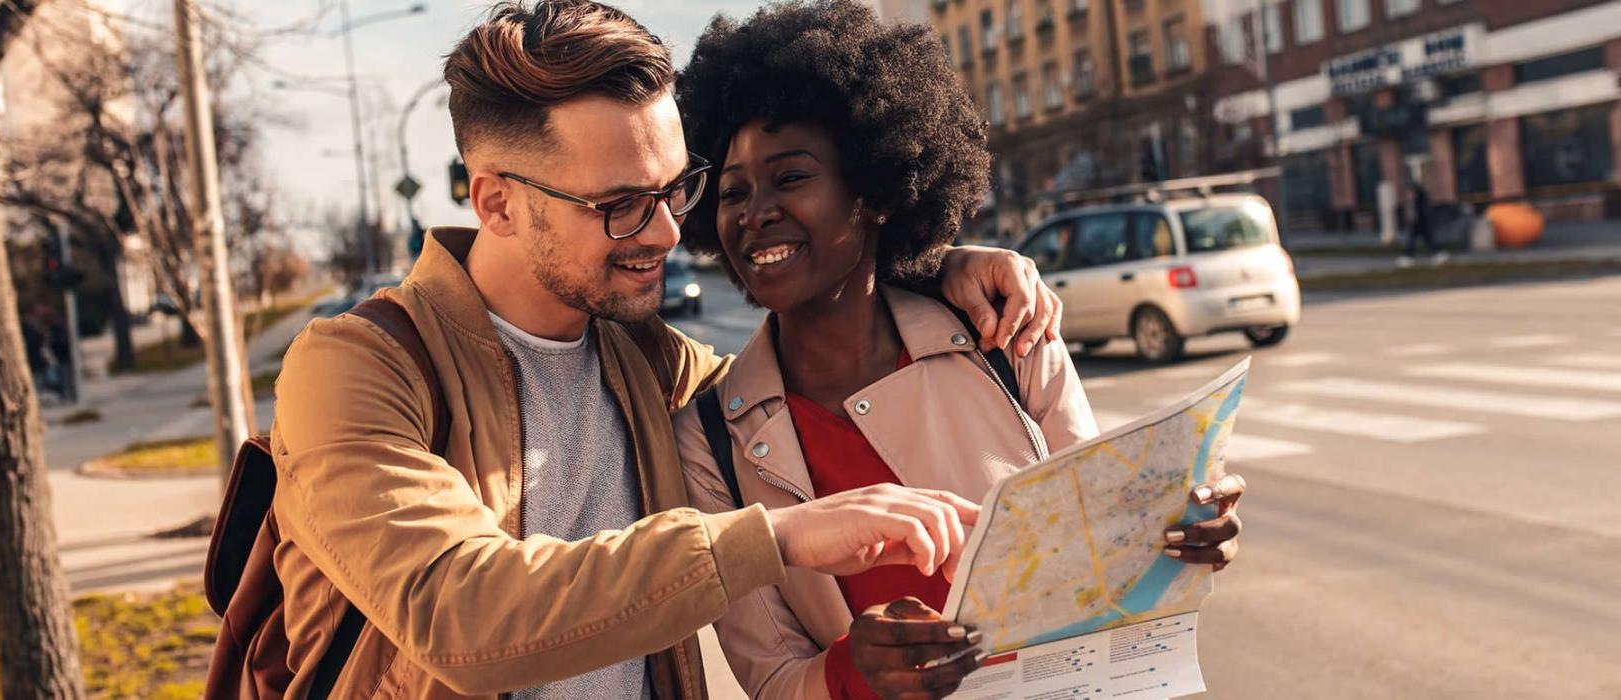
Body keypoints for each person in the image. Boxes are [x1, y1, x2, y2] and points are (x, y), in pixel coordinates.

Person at [257, 1, 1069, 697]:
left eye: (677, 188)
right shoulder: (358, 366)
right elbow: (458, 610)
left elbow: (810, 356)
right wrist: (776, 539)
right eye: (620, 205)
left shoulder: (647, 359)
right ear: (497, 203)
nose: (669, 232)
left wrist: (932, 269)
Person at [670, 3, 1247, 698]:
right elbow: (772, 680)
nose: (754, 210)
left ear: (876, 188)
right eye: (733, 192)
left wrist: (1181, 538)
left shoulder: (1005, 334)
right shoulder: (709, 435)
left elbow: (1106, 557)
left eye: (791, 177)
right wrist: (856, 670)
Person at [1399, 176, 1447, 268]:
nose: (1408, 192)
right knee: (1423, 240)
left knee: (1418, 240)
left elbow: (1421, 211)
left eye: (1410, 190)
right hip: (1418, 223)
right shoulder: (1416, 198)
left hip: (1421, 222)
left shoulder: (1420, 198)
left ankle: (1408, 257)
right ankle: (1437, 254)